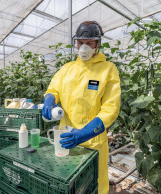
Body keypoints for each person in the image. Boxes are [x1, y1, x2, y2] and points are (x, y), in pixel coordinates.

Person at [42, 21, 121, 194]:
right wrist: (49, 100)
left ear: (97, 44)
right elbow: (53, 89)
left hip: (93, 142)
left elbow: (111, 109)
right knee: (70, 184)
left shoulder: (108, 70)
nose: (83, 47)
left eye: (89, 43)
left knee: (92, 185)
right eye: (80, 43)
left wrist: (84, 133)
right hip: (66, 139)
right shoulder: (67, 69)